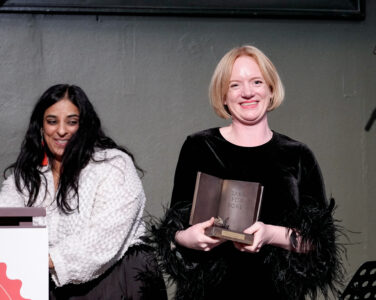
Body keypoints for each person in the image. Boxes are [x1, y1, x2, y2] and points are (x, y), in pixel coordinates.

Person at [152, 46, 343, 299]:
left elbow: (319, 242)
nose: (248, 92)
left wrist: (270, 234)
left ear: (271, 89)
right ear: (222, 96)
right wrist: (190, 238)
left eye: (256, 82)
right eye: (234, 85)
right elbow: (174, 230)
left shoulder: (297, 155)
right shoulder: (199, 147)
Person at [0, 84, 167, 299]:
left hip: (118, 282)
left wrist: (38, 258)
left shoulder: (113, 166)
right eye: (52, 121)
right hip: (51, 285)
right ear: (41, 127)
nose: (61, 130)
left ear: (84, 125)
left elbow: (103, 238)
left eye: (72, 121)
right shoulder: (25, 179)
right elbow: (7, 225)